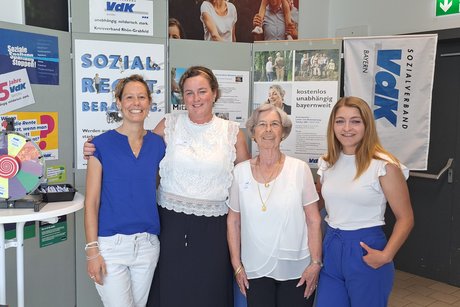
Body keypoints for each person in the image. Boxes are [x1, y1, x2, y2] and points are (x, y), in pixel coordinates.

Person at [84, 66, 250, 307]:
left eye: (202, 91)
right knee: (172, 292)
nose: (196, 98)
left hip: (214, 228)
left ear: (214, 93)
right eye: (189, 93)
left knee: (208, 292)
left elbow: (246, 184)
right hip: (170, 225)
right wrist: (95, 148)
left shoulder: (232, 133)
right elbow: (134, 149)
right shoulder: (170, 125)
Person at [315, 96, 414, 307]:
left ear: (367, 125)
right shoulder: (327, 162)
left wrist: (386, 256)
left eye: (355, 121)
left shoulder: (383, 166)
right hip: (331, 246)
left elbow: (406, 218)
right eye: (340, 121)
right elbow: (318, 204)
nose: (347, 128)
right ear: (332, 125)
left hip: (365, 248)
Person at [227, 104, 322, 307]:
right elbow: (233, 221)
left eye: (274, 124)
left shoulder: (299, 169)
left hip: (296, 267)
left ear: (283, 132)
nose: (268, 130)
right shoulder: (240, 172)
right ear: (253, 133)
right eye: (262, 124)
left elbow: (313, 220)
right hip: (255, 267)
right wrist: (236, 265)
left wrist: (315, 263)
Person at [84, 74, 165, 307]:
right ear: (118, 102)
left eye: (141, 97)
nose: (136, 103)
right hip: (110, 246)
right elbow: (91, 202)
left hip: (148, 245)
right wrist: (92, 251)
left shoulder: (158, 145)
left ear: (149, 103)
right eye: (129, 97)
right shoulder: (99, 145)